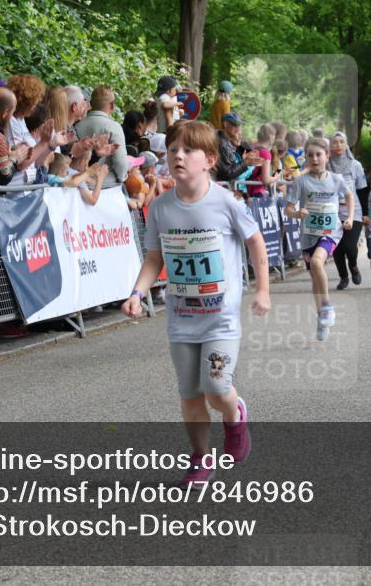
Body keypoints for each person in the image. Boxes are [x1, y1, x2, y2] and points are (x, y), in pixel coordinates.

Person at [121, 120, 270, 487]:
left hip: (221, 317)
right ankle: (201, 458)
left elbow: (255, 242)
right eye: (173, 150)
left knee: (216, 388)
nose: (178, 156)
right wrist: (137, 293)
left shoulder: (225, 202)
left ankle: (234, 415)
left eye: (188, 150)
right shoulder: (160, 207)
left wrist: (263, 290)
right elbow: (154, 258)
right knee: (190, 394)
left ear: (210, 160)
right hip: (182, 317)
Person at [285, 137, 352, 341]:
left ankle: (327, 307)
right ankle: (321, 318)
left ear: (327, 156)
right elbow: (288, 209)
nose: (314, 159)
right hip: (308, 234)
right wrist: (298, 214)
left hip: (331, 232)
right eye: (310, 155)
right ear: (305, 158)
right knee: (315, 277)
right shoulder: (300, 181)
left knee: (316, 262)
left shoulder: (336, 179)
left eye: (318, 154)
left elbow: (349, 196)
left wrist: (349, 217)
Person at [329, 131, 367, 290]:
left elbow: (362, 190)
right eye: (335, 142)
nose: (338, 145)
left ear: (346, 145)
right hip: (332, 212)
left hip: (354, 211)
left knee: (350, 246)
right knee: (336, 248)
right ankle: (343, 276)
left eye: (342, 142)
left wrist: (366, 213)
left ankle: (353, 266)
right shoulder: (325, 164)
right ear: (330, 145)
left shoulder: (355, 165)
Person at [75, 85, 127, 188]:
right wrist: (122, 177)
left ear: (91, 104)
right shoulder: (114, 127)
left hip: (78, 182)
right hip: (105, 184)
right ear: (112, 105)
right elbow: (120, 161)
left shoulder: (77, 125)